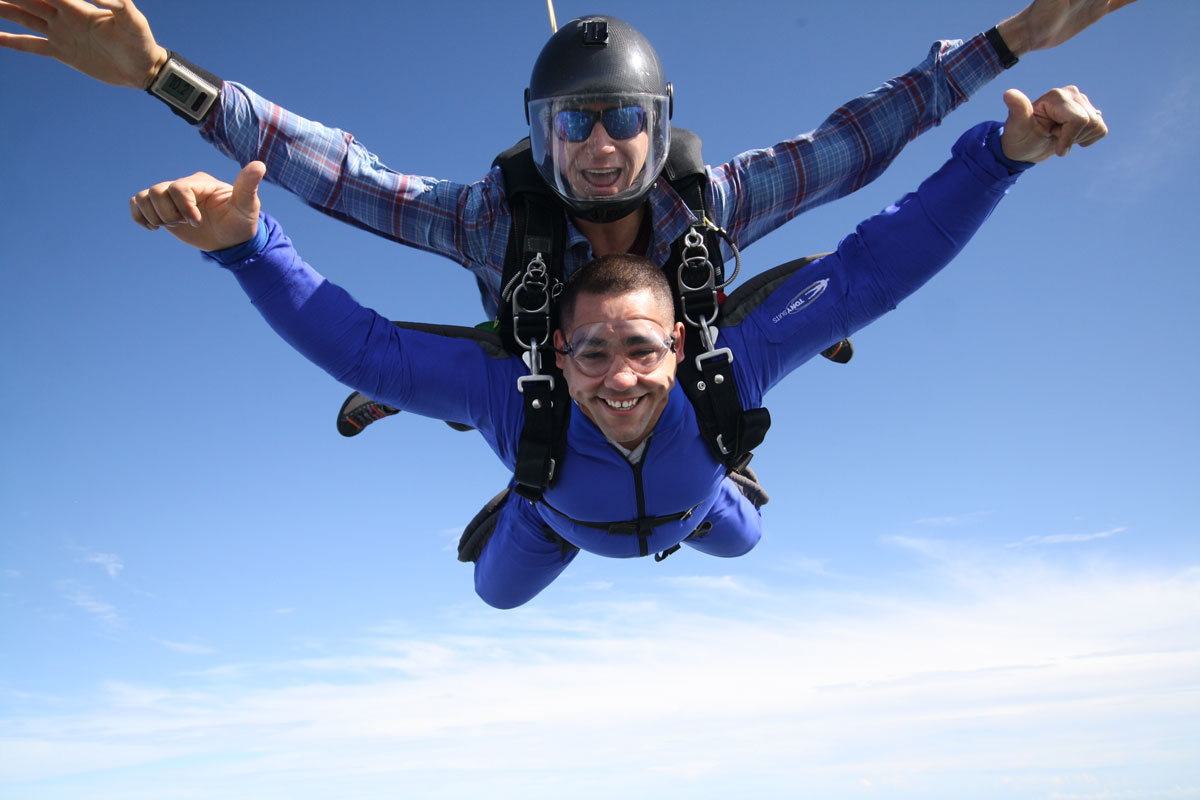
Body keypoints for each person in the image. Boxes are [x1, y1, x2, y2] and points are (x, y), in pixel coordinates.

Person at [128, 84, 1107, 608]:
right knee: (495, 594)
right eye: (589, 354)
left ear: (680, 343)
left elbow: (873, 271)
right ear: (553, 351)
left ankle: (734, 479)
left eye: (639, 347)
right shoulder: (519, 398)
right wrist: (248, 247)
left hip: (697, 501)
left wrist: (1002, 157)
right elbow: (361, 350)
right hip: (555, 513)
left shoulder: (731, 367)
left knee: (746, 536)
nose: (621, 376)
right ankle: (531, 488)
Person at [0, 1, 1134, 421]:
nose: (599, 147)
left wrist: (1011, 42)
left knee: (729, 401)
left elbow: (858, 140)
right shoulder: (487, 218)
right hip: (533, 375)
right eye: (571, 124)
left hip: (683, 372)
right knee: (489, 402)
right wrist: (163, 73)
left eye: (623, 120)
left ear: (660, 123)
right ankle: (438, 403)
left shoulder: (715, 199)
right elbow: (333, 174)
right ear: (537, 133)